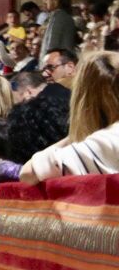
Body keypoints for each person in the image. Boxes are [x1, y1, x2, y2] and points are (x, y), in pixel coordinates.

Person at [21, 50, 119, 181]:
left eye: (51, 67)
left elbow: (27, 174)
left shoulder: (103, 142)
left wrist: (73, 135)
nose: (45, 73)